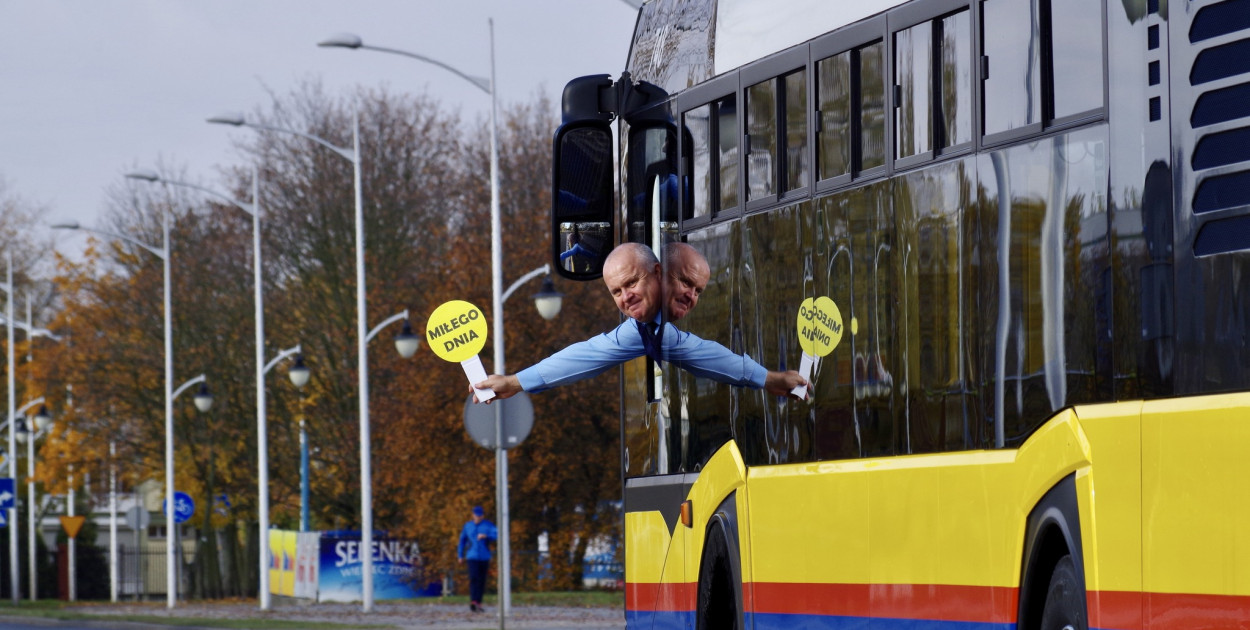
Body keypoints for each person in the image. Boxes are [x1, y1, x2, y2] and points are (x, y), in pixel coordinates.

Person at [473, 242, 807, 400]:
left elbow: (708, 355)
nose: (625, 297)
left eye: (632, 283)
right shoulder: (642, 330)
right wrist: (515, 383)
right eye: (616, 291)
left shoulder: (659, 327)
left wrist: (772, 379)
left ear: (658, 273)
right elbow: (584, 356)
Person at [457, 506, 497, 613]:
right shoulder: (468, 526)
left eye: (480, 515)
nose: (478, 517)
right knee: (474, 578)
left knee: (482, 580)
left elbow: (496, 534)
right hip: (472, 556)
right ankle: (473, 601)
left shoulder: (488, 525)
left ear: (482, 515)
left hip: (484, 557)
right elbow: (462, 541)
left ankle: (478, 602)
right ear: (473, 515)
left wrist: (486, 536)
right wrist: (460, 555)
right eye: (476, 515)